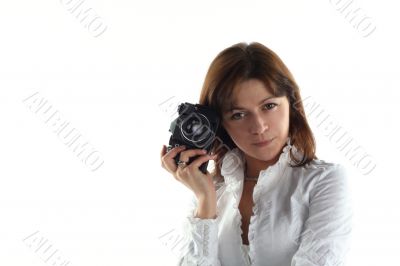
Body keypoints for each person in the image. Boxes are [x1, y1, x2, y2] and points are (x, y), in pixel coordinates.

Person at [160, 42, 353, 266]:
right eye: (239, 115)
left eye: (269, 106)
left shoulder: (324, 181)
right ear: (220, 124)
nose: (259, 127)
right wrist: (205, 201)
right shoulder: (210, 190)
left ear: (291, 104)